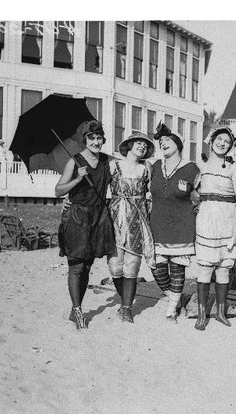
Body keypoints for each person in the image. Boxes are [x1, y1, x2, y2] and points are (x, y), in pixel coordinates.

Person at [56, 121, 116, 330]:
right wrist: (77, 179)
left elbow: (126, 168)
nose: (96, 141)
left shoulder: (108, 161)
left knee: (88, 264)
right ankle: (78, 309)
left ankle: (75, 310)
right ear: (85, 140)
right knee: (77, 265)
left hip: (98, 218)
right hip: (77, 217)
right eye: (92, 138)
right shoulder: (74, 162)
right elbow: (58, 190)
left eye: (99, 138)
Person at [194, 127, 236, 331]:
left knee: (224, 269)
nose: (222, 143)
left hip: (228, 219)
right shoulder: (202, 164)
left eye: (227, 141)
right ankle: (201, 315)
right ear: (212, 140)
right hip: (207, 219)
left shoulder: (234, 168)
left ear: (231, 145)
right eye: (219, 139)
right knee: (206, 268)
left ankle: (221, 312)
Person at [150, 124, 200, 323]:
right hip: (158, 225)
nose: (163, 144)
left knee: (178, 268)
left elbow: (201, 196)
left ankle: (171, 310)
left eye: (167, 141)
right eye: (161, 142)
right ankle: (176, 299)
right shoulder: (154, 167)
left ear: (178, 144)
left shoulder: (191, 169)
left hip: (182, 225)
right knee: (157, 267)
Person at [107, 132, 156, 323]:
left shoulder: (146, 168)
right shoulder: (114, 165)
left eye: (145, 145)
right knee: (115, 266)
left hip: (137, 218)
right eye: (138, 143)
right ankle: (124, 298)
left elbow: (153, 192)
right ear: (128, 146)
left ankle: (127, 309)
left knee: (132, 266)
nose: (142, 147)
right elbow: (98, 187)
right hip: (116, 218)